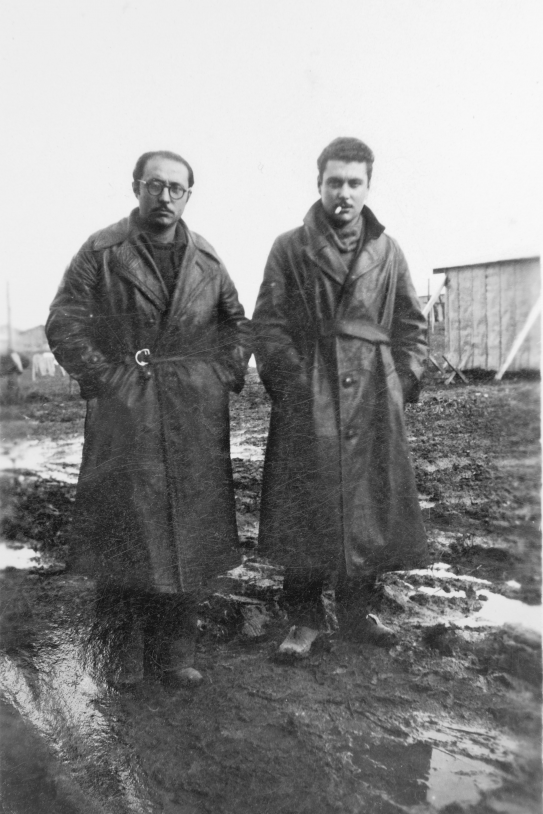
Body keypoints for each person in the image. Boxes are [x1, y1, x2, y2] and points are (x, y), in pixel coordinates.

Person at [46, 150, 251, 686]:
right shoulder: (103, 250)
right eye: (155, 185)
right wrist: (105, 380)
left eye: (176, 188)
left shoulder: (205, 257)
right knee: (125, 532)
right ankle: (120, 658)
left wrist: (219, 374)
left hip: (191, 413)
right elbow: (64, 321)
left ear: (189, 194)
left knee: (188, 531)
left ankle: (175, 654)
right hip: (126, 409)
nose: (165, 197)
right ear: (136, 186)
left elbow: (236, 324)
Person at [252, 137, 427, 657]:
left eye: (354, 183)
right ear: (319, 185)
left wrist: (403, 381)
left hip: (374, 394)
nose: (343, 193)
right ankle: (303, 620)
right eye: (335, 182)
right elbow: (269, 325)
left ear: (368, 186)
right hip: (313, 392)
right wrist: (293, 385)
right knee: (306, 505)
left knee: (369, 505)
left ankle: (357, 613)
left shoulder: (388, 251)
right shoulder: (290, 246)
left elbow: (411, 324)